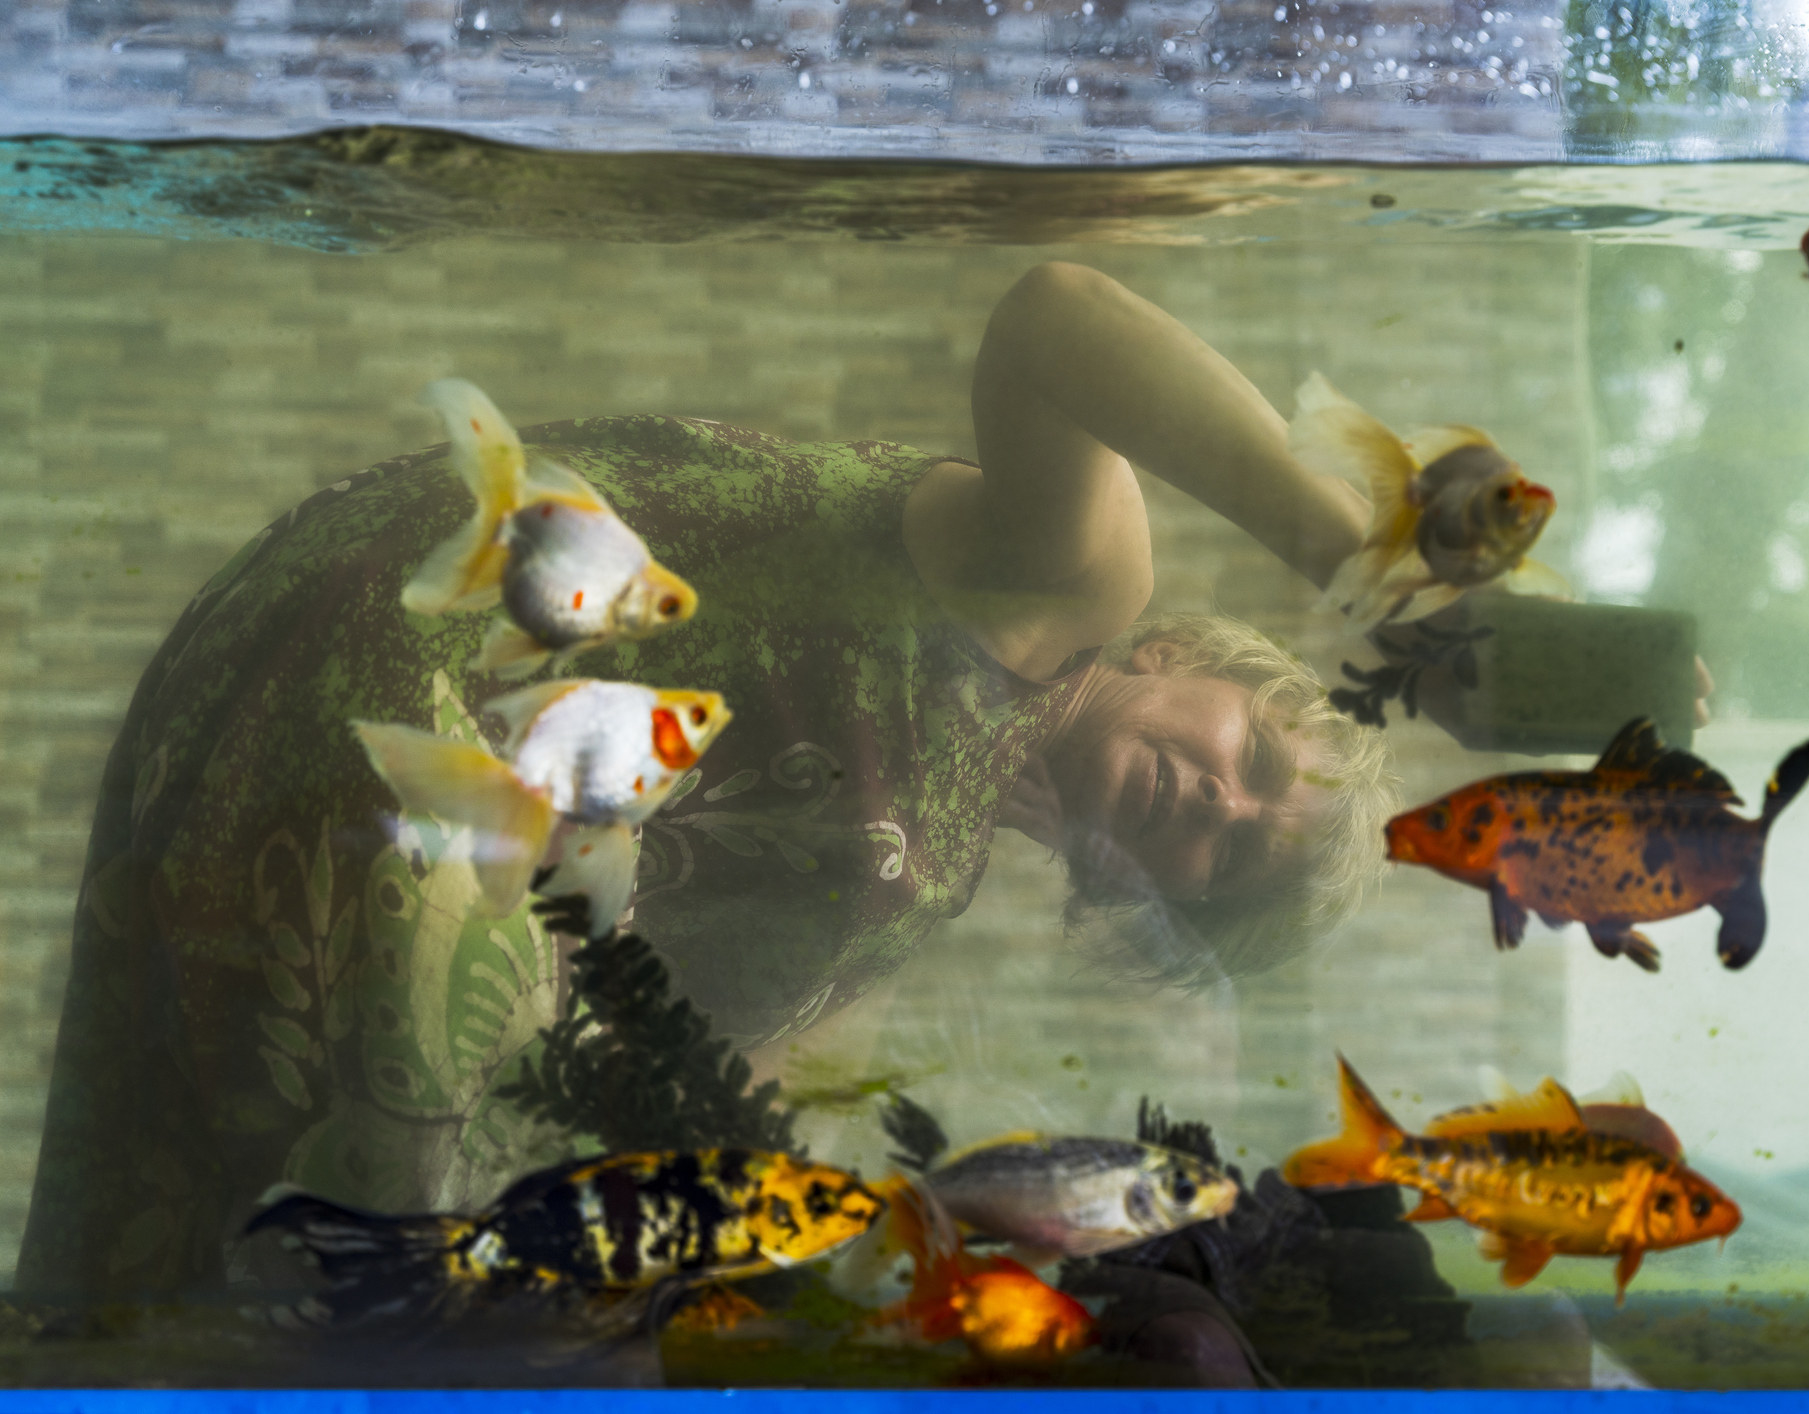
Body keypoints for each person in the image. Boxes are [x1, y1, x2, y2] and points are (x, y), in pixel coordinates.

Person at [18, 262, 1400, 1298]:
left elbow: (699, 1067)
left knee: (170, 1263)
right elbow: (1055, 316)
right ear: (1183, 658)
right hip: (424, 691)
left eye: (1241, 858)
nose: (1225, 803)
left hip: (386, 772)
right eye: (1261, 755)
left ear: (1166, 911)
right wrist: (1358, 563)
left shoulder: (943, 876)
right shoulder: (1077, 584)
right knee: (367, 1294)